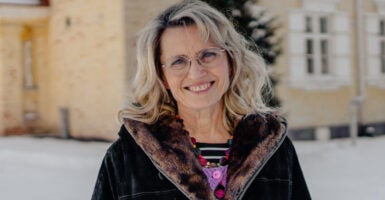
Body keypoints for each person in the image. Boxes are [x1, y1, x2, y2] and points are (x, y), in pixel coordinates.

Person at [92, 0, 311, 199]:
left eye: (208, 55)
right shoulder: (126, 156)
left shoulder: (273, 148)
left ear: (230, 61)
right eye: (178, 61)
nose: (196, 73)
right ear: (162, 77)